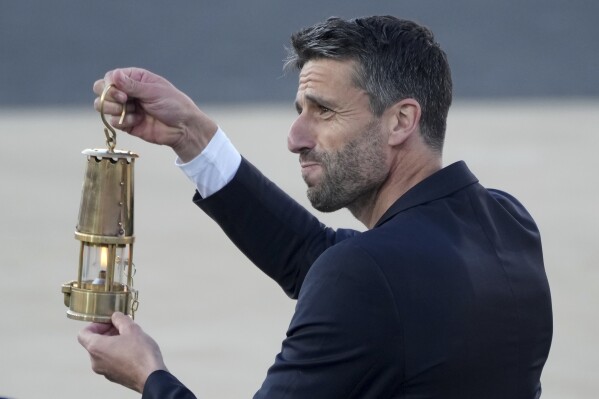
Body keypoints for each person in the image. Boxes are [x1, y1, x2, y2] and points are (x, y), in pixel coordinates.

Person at [78, 16, 553, 398]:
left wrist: (149, 377)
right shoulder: (509, 226)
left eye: (323, 111)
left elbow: (351, 275)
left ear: (401, 121)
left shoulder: (366, 276)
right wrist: (191, 136)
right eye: (298, 111)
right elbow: (318, 256)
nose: (295, 138)